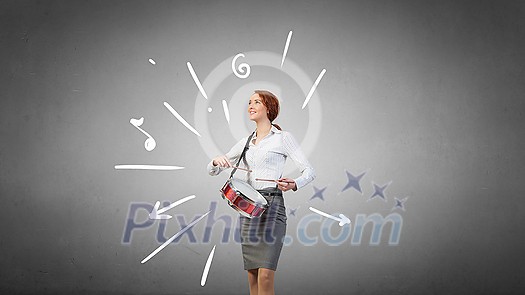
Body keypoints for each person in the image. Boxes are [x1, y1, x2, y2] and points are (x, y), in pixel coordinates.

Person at [207, 90, 315, 295]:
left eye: (257, 101)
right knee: (253, 275)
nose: (251, 105)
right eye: (249, 102)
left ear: (269, 108)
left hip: (272, 207)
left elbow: (310, 171)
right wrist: (215, 161)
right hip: (249, 210)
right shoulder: (245, 142)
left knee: (265, 274)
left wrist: (294, 183)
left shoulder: (283, 138)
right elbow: (214, 170)